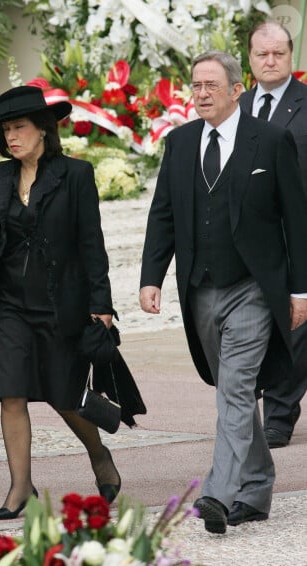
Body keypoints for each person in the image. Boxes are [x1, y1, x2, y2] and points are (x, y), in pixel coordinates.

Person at [139, 51, 307, 534]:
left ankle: (218, 492)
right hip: (200, 291)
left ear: (238, 90)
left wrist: (300, 291)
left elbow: (297, 220)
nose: (202, 93)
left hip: (254, 288)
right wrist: (152, 277)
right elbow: (163, 215)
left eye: (212, 85)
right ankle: (255, 486)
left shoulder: (271, 141)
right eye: (195, 85)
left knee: (235, 389)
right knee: (230, 391)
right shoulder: (180, 142)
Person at [0, 85, 123, 520]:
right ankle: (19, 489)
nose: (11, 137)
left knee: (65, 396)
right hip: (9, 302)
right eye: (6, 130)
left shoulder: (76, 174)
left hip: (60, 303)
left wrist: (101, 302)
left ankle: (99, 453)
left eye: (19, 127)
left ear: (43, 131)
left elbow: (92, 243)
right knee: (11, 395)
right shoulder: (0, 176)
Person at [239, 21, 307, 449]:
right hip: (249, 237)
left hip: (298, 233)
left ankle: (279, 415)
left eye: (278, 54)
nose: (269, 61)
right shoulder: (237, 104)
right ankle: (253, 410)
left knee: (296, 324)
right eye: (261, 54)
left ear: (291, 57)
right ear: (249, 58)